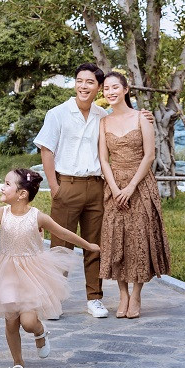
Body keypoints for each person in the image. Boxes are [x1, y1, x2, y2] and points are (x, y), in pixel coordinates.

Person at [0, 168, 99, 368]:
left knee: (28, 322)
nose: (2, 187)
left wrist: (88, 245)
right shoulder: (1, 214)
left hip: (31, 274)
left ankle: (40, 331)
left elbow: (63, 233)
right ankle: (18, 363)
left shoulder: (38, 217)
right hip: (6, 272)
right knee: (11, 321)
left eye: (7, 184)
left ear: (22, 194)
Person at [34, 63, 110, 318]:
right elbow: (47, 150)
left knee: (95, 245)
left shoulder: (102, 115)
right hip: (67, 185)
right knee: (61, 246)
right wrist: (55, 186)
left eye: (89, 82)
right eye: (79, 81)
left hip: (96, 187)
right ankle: (53, 300)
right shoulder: (58, 113)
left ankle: (94, 298)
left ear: (98, 87)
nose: (83, 86)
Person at [97, 71, 171, 318]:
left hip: (140, 185)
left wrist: (130, 188)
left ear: (126, 89)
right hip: (114, 185)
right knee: (116, 238)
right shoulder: (103, 122)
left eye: (115, 87)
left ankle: (137, 294)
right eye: (106, 89)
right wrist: (115, 188)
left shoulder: (142, 118)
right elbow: (103, 159)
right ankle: (123, 295)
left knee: (140, 237)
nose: (110, 92)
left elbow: (149, 156)